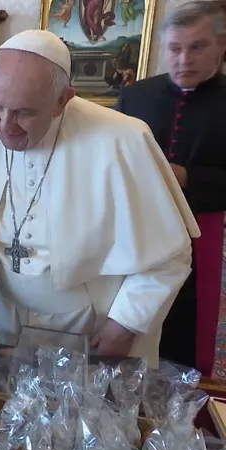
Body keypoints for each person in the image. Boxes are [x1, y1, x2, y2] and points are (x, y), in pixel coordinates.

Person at [0, 29, 200, 367]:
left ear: (62, 100)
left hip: (93, 325)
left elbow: (169, 256)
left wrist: (127, 321)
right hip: (4, 318)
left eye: (24, 112)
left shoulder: (123, 141)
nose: (5, 126)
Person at [116, 1, 226, 374]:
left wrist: (187, 177)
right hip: (136, 227)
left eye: (197, 47)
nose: (183, 59)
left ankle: (183, 402)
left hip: (199, 229)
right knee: (127, 313)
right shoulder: (135, 97)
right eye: (175, 48)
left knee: (187, 325)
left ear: (220, 45)